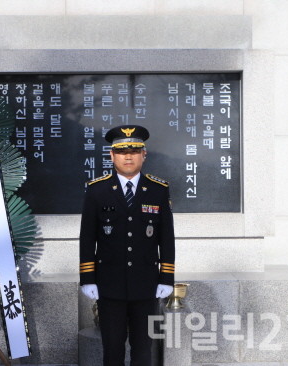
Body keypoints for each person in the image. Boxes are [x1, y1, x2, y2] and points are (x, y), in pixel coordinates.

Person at [79, 124, 175, 366]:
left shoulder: (158, 190)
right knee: (112, 348)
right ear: (112, 155)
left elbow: (166, 237)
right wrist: (88, 277)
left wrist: (166, 278)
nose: (128, 156)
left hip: (146, 284)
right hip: (109, 284)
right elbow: (88, 237)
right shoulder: (97, 190)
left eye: (134, 151)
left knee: (144, 349)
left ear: (144, 154)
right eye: (122, 152)